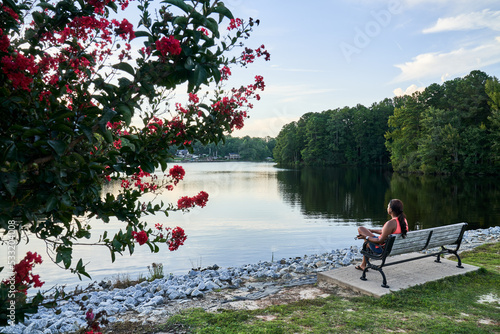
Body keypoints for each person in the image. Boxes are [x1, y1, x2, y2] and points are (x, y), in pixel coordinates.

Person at [355, 199, 408, 271]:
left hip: (381, 249)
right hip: (393, 248)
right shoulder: (403, 221)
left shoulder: (391, 223)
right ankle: (363, 265)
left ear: (391, 210)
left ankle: (363, 265)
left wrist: (366, 237)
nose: (387, 208)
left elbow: (380, 240)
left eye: (388, 206)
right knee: (366, 239)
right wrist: (373, 231)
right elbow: (387, 233)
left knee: (361, 229)